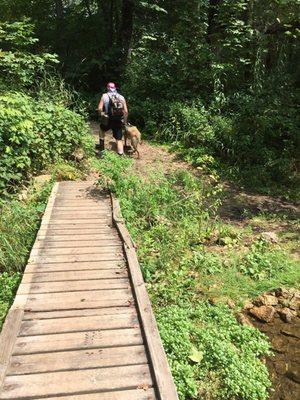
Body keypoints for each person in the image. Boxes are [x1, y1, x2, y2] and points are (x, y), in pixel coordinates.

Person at [97, 82, 128, 156]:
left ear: (107, 88)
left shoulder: (104, 96)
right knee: (119, 138)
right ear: (115, 88)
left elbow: (99, 108)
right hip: (118, 119)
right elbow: (126, 111)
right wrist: (124, 122)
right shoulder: (121, 97)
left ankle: (102, 150)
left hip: (108, 119)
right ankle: (120, 153)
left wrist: (101, 114)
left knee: (102, 130)